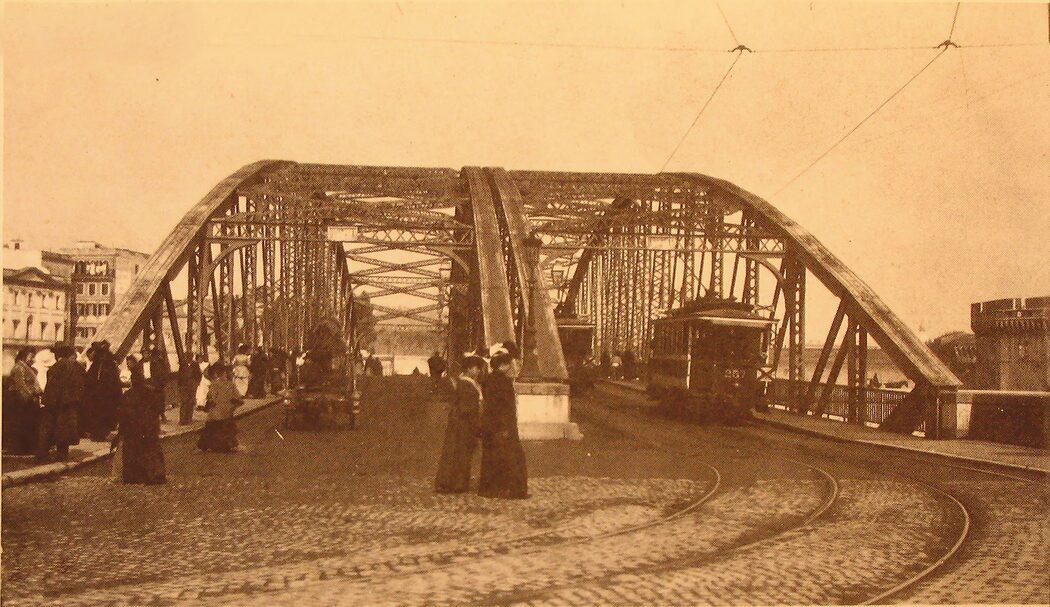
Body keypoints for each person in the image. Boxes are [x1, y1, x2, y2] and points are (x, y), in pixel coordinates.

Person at [478, 345, 529, 499]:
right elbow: (505, 407)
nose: (509, 366)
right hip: (504, 426)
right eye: (507, 363)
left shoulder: (488, 380)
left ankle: (490, 489)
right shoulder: (504, 382)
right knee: (512, 458)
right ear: (502, 365)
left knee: (490, 458)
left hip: (490, 425)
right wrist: (506, 427)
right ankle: (512, 490)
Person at [435, 355, 485, 493]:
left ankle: (454, 482)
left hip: (460, 423)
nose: (478, 371)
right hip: (464, 424)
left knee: (458, 453)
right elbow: (468, 407)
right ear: (468, 369)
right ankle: (456, 484)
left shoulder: (466, 383)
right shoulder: (466, 385)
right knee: (460, 454)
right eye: (476, 368)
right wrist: (477, 423)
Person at [115, 354, 166, 483]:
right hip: (148, 428)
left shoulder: (128, 395)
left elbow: (122, 414)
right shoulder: (150, 393)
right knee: (150, 451)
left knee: (132, 451)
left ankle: (133, 477)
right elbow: (156, 410)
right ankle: (152, 475)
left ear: (132, 382)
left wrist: (122, 429)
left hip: (133, 429)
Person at [36, 344, 84, 462]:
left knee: (48, 429)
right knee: (64, 429)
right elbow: (79, 384)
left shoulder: (55, 367)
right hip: (67, 403)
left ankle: (42, 454)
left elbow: (51, 384)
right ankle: (62, 454)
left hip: (52, 402)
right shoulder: (73, 367)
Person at [3, 347, 42, 454]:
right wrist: (31, 396)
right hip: (21, 402)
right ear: (24, 356)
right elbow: (21, 386)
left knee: (28, 425)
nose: (33, 360)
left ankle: (26, 447)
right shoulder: (19, 368)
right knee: (21, 424)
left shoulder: (27, 368)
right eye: (31, 357)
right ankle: (19, 448)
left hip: (28, 401)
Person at [197, 363, 243, 452]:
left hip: (215, 413)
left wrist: (207, 406)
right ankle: (226, 445)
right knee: (227, 428)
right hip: (227, 412)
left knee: (210, 428)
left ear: (216, 374)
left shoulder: (214, 384)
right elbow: (238, 398)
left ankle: (207, 445)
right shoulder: (231, 384)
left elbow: (211, 398)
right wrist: (232, 406)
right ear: (225, 374)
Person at [82, 341, 121, 440]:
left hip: (106, 396)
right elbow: (90, 379)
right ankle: (98, 434)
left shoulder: (109, 365)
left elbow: (114, 382)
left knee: (103, 414)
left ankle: (101, 434)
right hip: (98, 396)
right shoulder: (97, 365)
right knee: (98, 414)